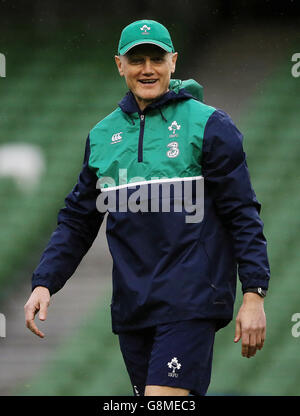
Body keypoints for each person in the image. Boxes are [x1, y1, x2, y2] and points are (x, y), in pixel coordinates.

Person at [24, 19, 270, 396]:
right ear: (119, 64)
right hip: (133, 307)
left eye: (156, 58)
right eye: (137, 60)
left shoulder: (210, 125)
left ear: (173, 61)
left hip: (191, 300)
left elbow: (242, 213)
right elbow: (77, 219)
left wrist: (253, 293)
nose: (147, 69)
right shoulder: (103, 136)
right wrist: (45, 281)